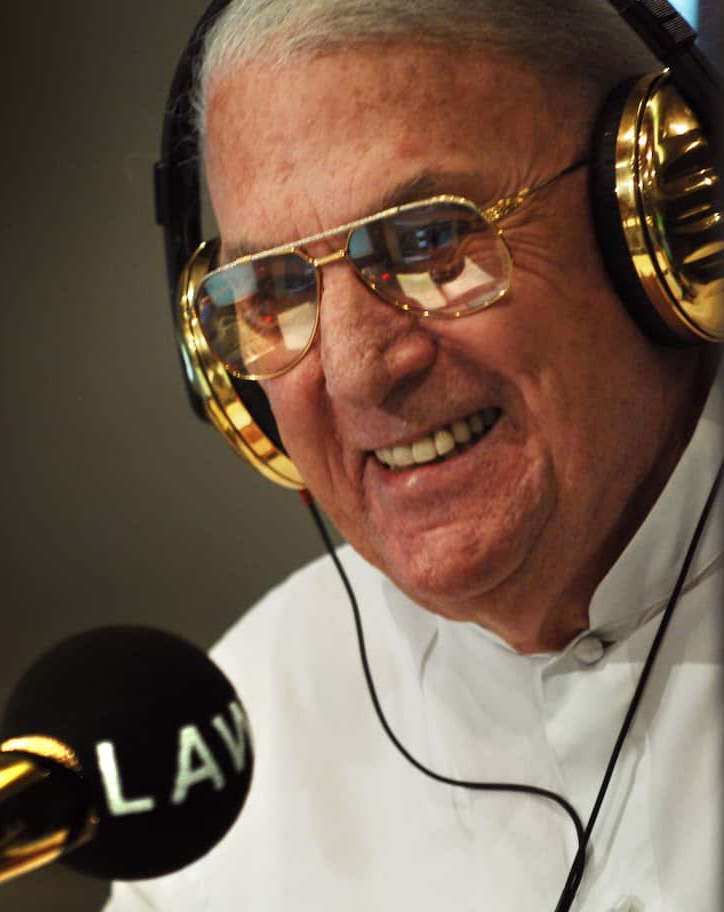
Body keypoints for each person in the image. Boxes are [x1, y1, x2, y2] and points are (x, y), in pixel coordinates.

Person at [107, 0, 723, 909]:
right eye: (275, 288)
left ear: (652, 213)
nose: (357, 374)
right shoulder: (232, 746)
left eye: (428, 239)